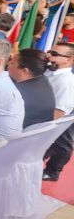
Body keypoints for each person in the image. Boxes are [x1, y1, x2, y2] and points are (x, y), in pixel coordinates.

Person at [43, 42, 74, 181]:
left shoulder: (65, 82)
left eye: (55, 54)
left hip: (62, 117)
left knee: (63, 143)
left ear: (68, 60)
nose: (49, 55)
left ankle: (53, 171)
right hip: (48, 115)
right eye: (51, 52)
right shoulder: (50, 71)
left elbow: (59, 112)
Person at [8, 48, 56, 128]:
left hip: (16, 136)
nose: (8, 64)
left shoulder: (16, 94)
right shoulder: (42, 79)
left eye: (12, 63)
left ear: (25, 71)